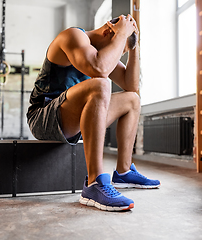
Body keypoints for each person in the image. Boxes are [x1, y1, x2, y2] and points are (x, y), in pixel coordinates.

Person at [27, 14, 160, 211]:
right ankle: (94, 184)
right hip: (44, 118)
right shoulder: (73, 36)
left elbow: (131, 86)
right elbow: (98, 68)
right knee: (100, 84)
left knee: (132, 100)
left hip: (74, 120)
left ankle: (123, 172)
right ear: (108, 32)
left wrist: (134, 46)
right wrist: (122, 34)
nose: (117, 55)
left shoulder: (102, 52)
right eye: (118, 45)